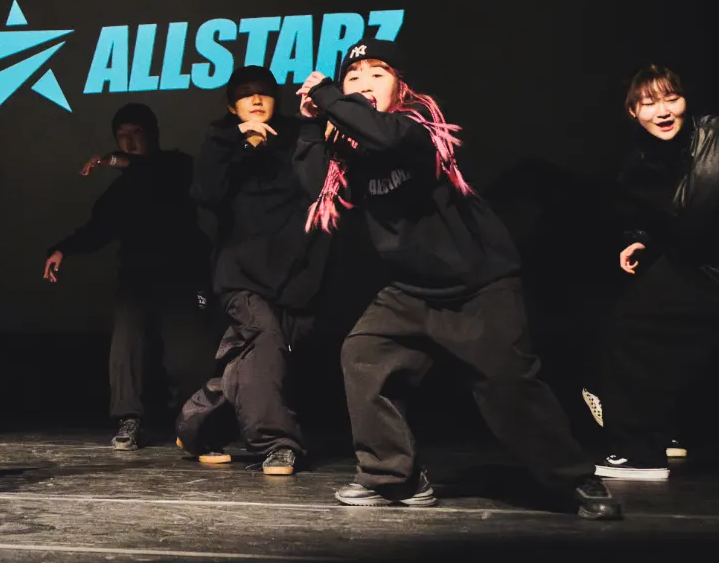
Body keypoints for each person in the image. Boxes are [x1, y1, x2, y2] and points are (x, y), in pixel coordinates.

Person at [295, 39, 620, 518]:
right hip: (411, 290)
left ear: (401, 87)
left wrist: (327, 95)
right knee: (364, 353)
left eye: (377, 75)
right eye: (353, 78)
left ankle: (574, 478)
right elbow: (313, 183)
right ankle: (395, 478)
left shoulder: (416, 127)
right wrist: (310, 124)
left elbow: (385, 137)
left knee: (508, 388)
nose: (363, 84)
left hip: (477, 284)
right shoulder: (352, 148)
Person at [177, 66, 329, 475]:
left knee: (256, 359)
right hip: (239, 273)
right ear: (232, 106)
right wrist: (236, 144)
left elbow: (319, 189)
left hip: (293, 273)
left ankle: (195, 424)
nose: (256, 99)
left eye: (263, 92)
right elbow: (204, 194)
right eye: (245, 93)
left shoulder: (297, 136)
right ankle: (276, 443)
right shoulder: (221, 140)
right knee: (263, 344)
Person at [43, 103, 214, 449]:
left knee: (186, 354)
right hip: (137, 277)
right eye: (122, 136)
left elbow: (159, 174)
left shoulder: (177, 165)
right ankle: (129, 418)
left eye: (136, 133)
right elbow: (98, 229)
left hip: (181, 275)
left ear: (152, 134)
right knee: (125, 347)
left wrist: (113, 160)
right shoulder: (119, 192)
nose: (129, 141)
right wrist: (63, 249)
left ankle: (192, 420)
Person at [589, 65, 718, 481]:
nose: (662, 111)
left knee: (640, 332)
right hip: (696, 264)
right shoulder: (640, 163)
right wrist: (641, 238)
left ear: (686, 102)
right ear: (633, 112)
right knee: (633, 329)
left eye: (671, 99)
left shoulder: (714, 136)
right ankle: (653, 442)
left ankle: (642, 450)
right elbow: (662, 213)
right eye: (648, 103)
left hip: (708, 267)